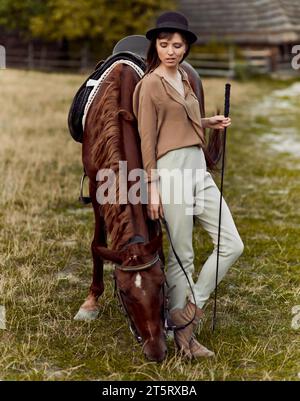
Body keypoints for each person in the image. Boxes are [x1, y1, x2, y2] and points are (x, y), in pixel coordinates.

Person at [132, 11, 244, 359]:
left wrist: (209, 121)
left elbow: (183, 119)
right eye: (163, 44)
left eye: (176, 45)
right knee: (183, 255)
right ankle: (185, 340)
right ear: (155, 45)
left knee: (232, 244)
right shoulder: (149, 84)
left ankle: (187, 310)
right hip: (171, 171)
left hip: (198, 167)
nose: (169, 50)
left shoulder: (184, 78)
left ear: (185, 49)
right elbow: (146, 139)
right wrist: (152, 188)